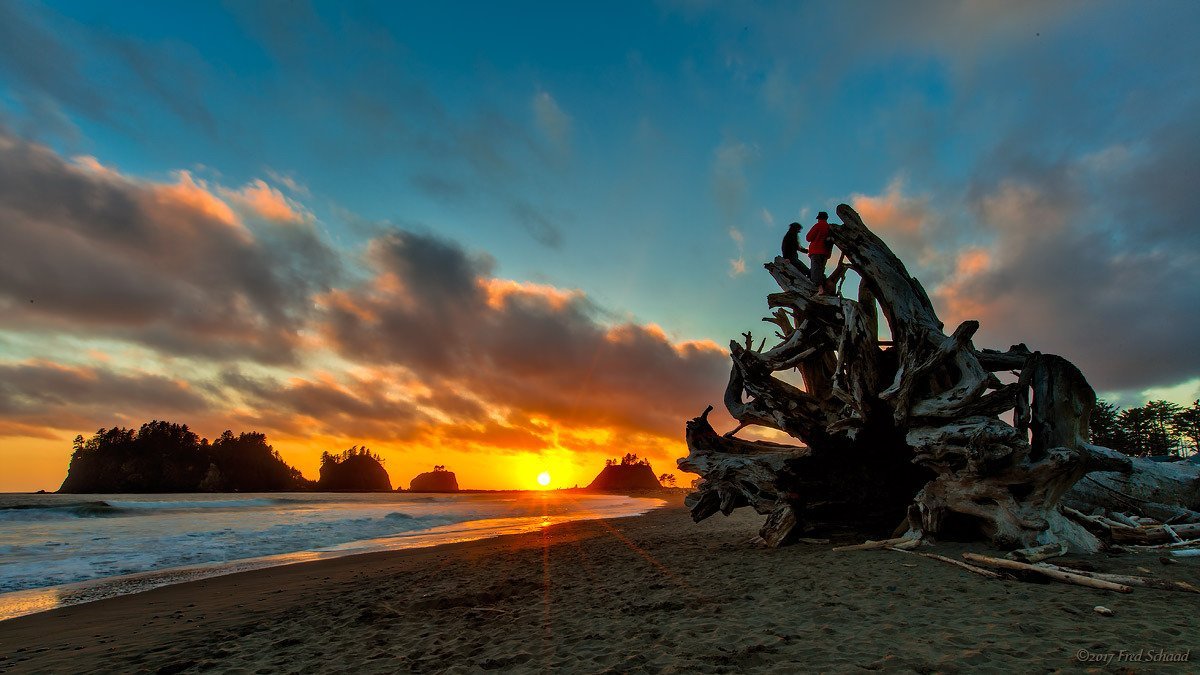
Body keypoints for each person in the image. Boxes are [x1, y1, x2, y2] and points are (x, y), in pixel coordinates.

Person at [806, 211, 833, 293]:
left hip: (816, 251)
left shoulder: (818, 225)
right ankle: (823, 288)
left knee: (815, 271)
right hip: (825, 252)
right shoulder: (829, 227)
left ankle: (819, 289)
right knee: (821, 270)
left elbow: (808, 238)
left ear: (819, 218)